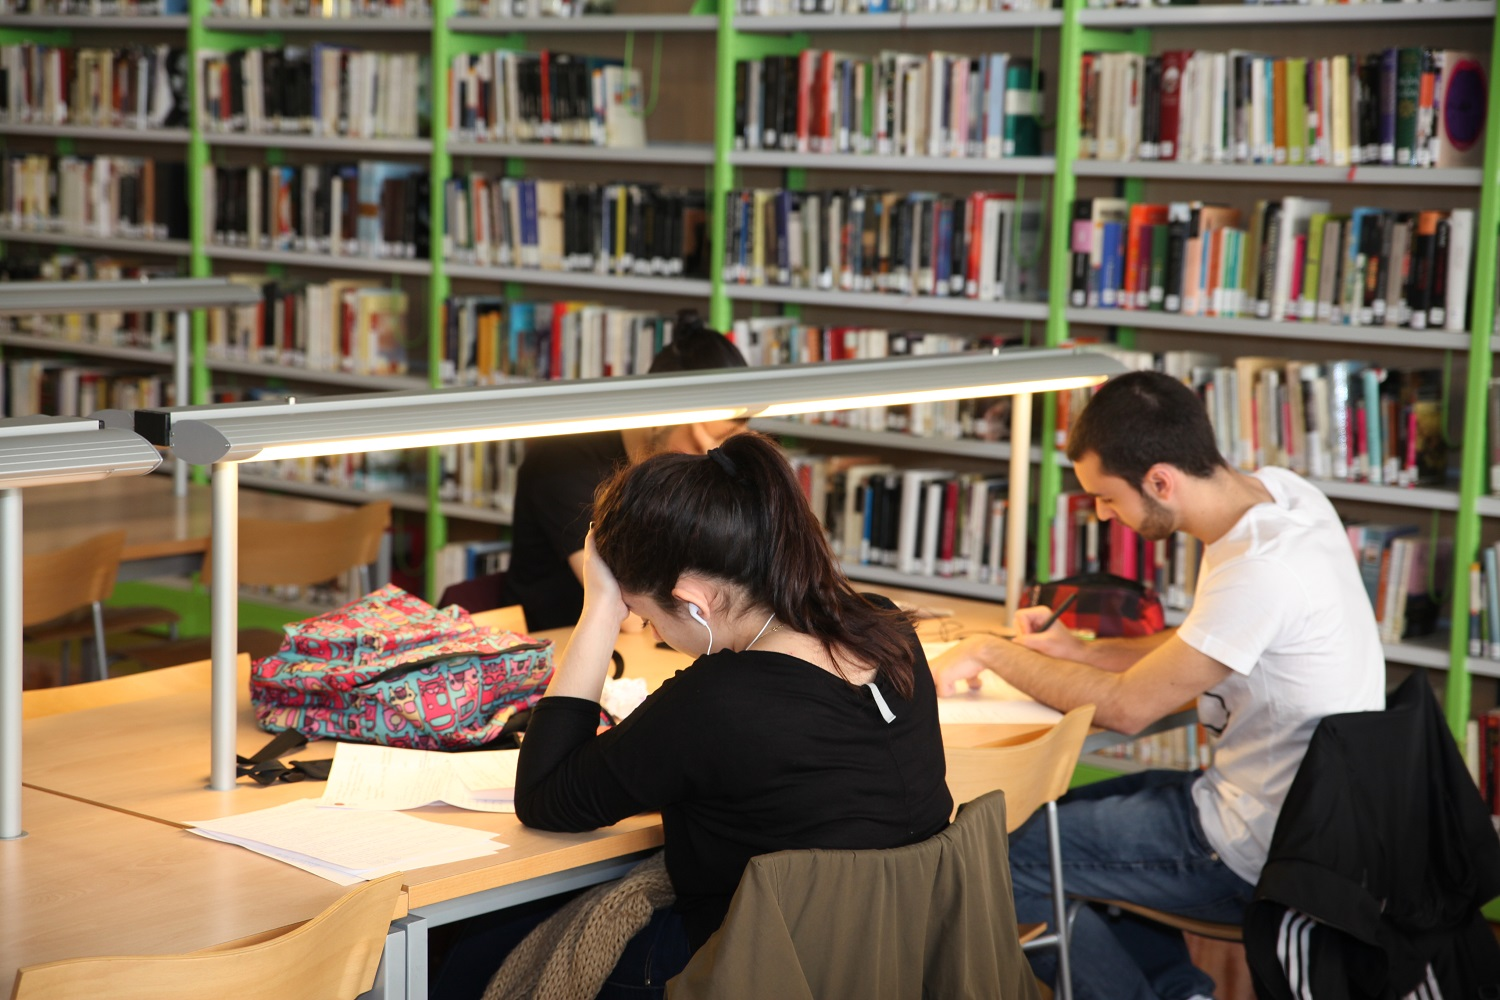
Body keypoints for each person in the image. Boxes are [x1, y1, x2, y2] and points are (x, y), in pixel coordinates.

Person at [932, 369, 1385, 1000]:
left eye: (1107, 496)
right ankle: (1181, 994)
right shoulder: (1282, 498)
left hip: (1261, 850)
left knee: (983, 861)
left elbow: (1127, 709)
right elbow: (1200, 647)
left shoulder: (1261, 570)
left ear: (1161, 482)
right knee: (1048, 821)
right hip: (1300, 815)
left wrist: (989, 651)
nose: (1100, 512)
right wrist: (1076, 650)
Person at [511, 431, 953, 994]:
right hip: (898, 959)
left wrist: (599, 609)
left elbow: (545, 796)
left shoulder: (717, 702)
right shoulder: (886, 628)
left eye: (646, 617)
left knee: (478, 953)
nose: (651, 632)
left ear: (695, 601)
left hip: (759, 969)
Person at [506, 310, 748, 631]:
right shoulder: (565, 461)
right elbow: (630, 616)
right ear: (661, 411)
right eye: (702, 436)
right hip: (560, 645)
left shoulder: (676, 464)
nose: (708, 458)